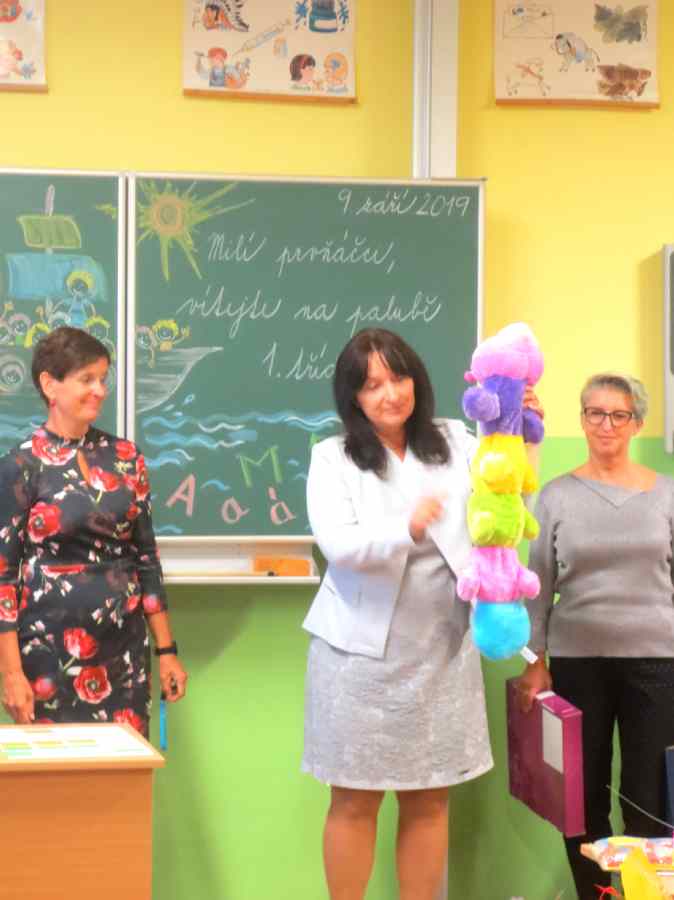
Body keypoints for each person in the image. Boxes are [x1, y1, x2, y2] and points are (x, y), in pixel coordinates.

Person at [302, 327, 542, 900]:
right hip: (359, 659)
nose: (390, 394)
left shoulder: (457, 439)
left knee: (430, 798)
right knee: (354, 799)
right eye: (372, 385)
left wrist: (523, 434)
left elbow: (505, 508)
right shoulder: (332, 457)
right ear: (352, 397)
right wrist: (405, 527)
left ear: (418, 379)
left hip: (442, 649)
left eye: (399, 377)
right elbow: (338, 544)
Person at [518, 372, 674, 900]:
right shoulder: (556, 496)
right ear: (582, 419)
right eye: (595, 413)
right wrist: (534, 661)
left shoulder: (666, 494)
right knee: (581, 799)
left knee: (648, 798)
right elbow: (538, 586)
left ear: (637, 423)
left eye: (619, 414)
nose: (606, 424)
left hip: (658, 664)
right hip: (576, 664)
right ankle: (596, 895)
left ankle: (644, 895)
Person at [0, 326, 187, 736]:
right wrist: (11, 673)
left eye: (102, 378)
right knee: (55, 772)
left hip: (124, 652)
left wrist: (167, 651)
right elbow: (3, 579)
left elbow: (146, 559)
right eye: (87, 379)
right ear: (50, 384)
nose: (100, 390)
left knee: (123, 770)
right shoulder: (20, 465)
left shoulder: (126, 457)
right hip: (47, 656)